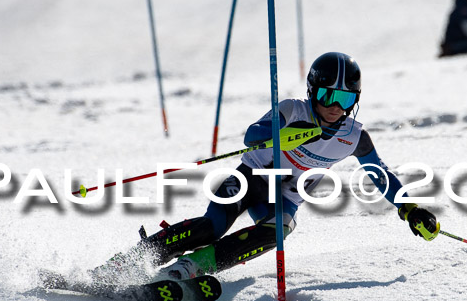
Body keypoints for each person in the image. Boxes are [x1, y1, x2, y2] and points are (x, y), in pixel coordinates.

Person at [91, 52, 440, 284]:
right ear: (312, 92)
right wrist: (282, 135)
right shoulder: (293, 110)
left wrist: (408, 208)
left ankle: (193, 266)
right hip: (250, 180)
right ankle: (133, 260)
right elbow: (251, 135)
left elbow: (379, 174)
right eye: (326, 96)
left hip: (283, 198)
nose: (334, 107)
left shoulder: (353, 136)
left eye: (344, 99)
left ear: (355, 101)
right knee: (213, 225)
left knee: (280, 228)